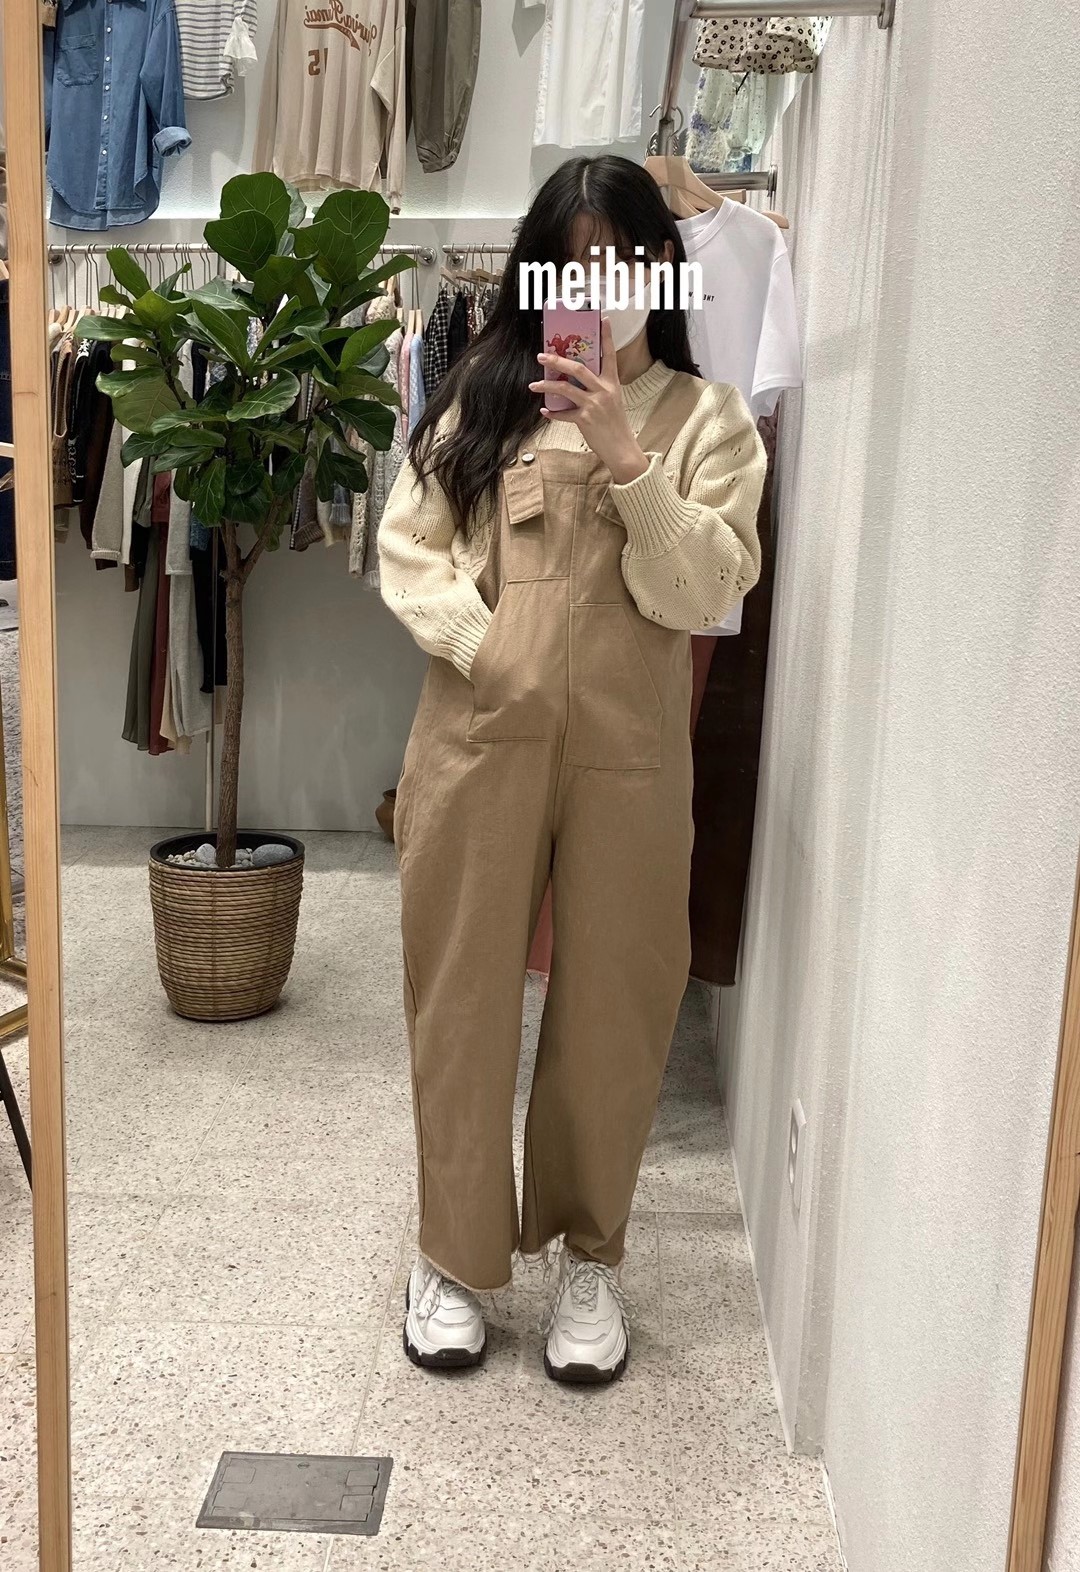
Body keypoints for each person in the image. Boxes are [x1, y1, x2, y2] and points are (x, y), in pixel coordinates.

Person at [378, 155, 766, 1383]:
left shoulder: (711, 422)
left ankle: (592, 1257)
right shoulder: (481, 401)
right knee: (461, 997)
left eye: (625, 258)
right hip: (478, 734)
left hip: (629, 757)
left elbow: (705, 587)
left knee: (616, 1004)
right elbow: (410, 548)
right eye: (573, 260)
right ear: (538, 276)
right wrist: (485, 647)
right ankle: (451, 1254)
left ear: (664, 271)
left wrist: (628, 461)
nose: (600, 284)